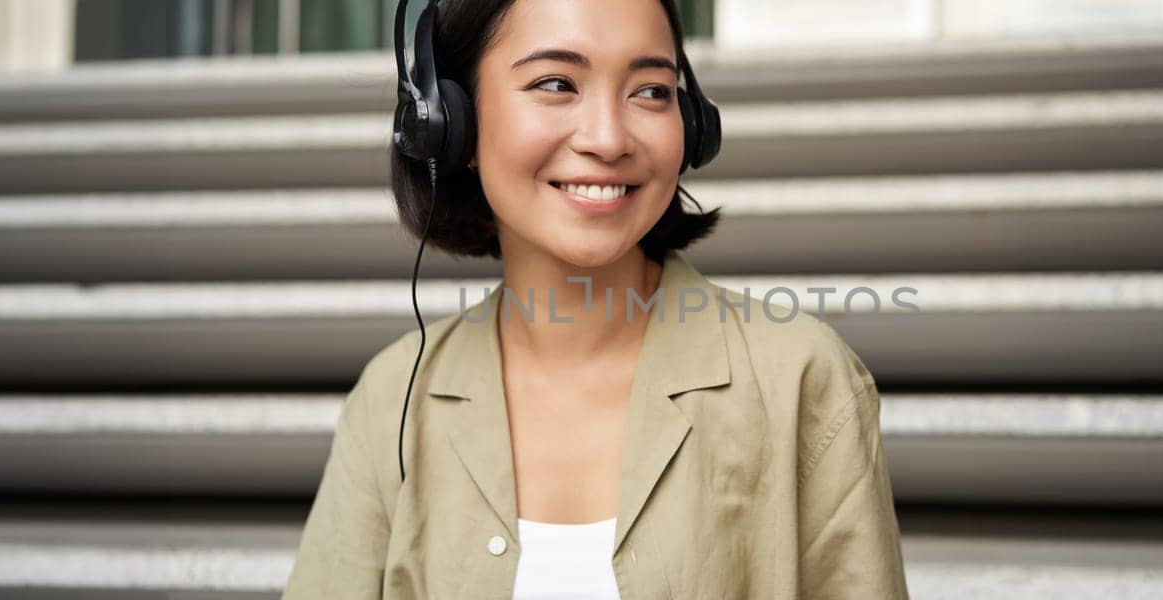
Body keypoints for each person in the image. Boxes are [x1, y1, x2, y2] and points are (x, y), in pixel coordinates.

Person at [282, 0, 909, 598]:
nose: (608, 139)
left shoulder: (801, 379)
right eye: (556, 83)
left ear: (691, 127)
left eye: (651, 91)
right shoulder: (394, 398)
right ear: (449, 123)